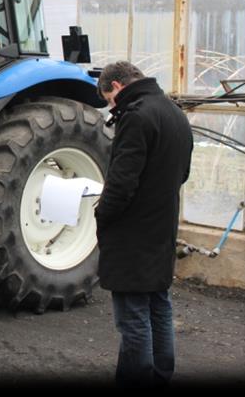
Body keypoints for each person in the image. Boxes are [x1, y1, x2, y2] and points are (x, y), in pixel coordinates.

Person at [94, 61, 193, 387]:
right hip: (162, 227)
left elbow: (122, 183)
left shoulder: (135, 117)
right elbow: (183, 173)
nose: (112, 107)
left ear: (117, 87)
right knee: (158, 306)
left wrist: (101, 213)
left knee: (133, 317)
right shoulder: (174, 113)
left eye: (110, 100)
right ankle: (161, 375)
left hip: (132, 235)